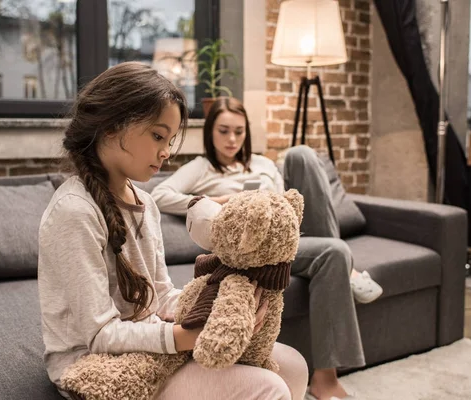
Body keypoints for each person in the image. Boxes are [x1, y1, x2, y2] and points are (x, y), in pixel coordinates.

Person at [37, 62, 309, 400]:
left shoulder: (146, 204)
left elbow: (161, 297)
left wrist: (214, 308)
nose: (166, 151)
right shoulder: (75, 212)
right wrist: (189, 337)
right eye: (157, 135)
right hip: (94, 365)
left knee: (295, 367)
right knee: (269, 387)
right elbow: (100, 334)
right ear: (110, 128)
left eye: (170, 139)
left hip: (152, 342)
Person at [151, 97, 383, 400]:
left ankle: (345, 267)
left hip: (285, 236)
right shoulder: (201, 168)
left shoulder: (263, 164)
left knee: (301, 155)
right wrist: (219, 202)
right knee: (334, 254)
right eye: (223, 131)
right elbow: (159, 195)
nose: (232, 139)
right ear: (210, 133)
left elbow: (289, 203)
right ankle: (325, 380)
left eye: (239, 131)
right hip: (250, 252)